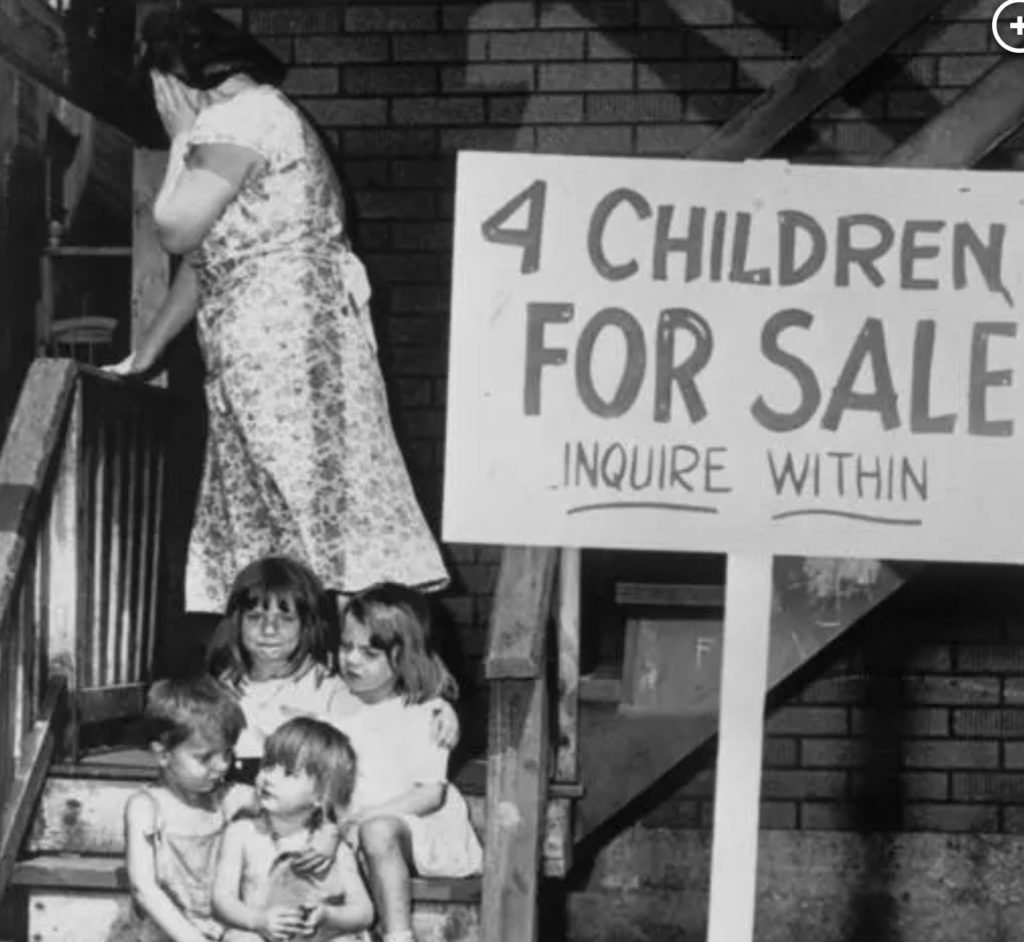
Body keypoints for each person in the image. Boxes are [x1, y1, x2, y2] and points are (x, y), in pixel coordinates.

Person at [106, 6, 448, 613]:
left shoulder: (240, 119)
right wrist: (146, 354)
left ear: (174, 80)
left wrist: (182, 134)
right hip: (270, 343)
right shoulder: (262, 114)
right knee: (291, 501)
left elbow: (178, 230)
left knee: (300, 501)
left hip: (280, 345)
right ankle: (296, 655)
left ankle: (328, 653)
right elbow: (207, 263)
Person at [208, 556, 458, 781]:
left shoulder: (332, 691)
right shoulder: (219, 689)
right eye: (255, 617)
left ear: (307, 624)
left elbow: (388, 717)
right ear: (236, 622)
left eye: (286, 618)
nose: (269, 629)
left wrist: (439, 708)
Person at [330, 584, 483, 942]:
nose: (351, 659)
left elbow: (430, 795)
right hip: (353, 823)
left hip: (415, 827)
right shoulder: (335, 699)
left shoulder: (422, 713)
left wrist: (368, 816)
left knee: (377, 831)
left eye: (369, 653)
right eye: (345, 646)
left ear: (404, 657)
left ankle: (399, 936)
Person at [213, 717, 374, 942]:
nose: (269, 778)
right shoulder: (241, 833)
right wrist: (257, 921)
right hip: (261, 933)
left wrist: (328, 915)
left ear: (320, 795)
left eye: (288, 773)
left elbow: (364, 912)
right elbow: (222, 901)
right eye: (268, 765)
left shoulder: (328, 849)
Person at [124, 676, 254, 942]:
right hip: (167, 933)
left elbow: (290, 805)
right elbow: (144, 888)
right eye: (205, 757)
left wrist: (325, 834)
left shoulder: (226, 799)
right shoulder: (146, 807)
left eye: (227, 754)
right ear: (163, 755)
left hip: (221, 931)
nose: (221, 766)